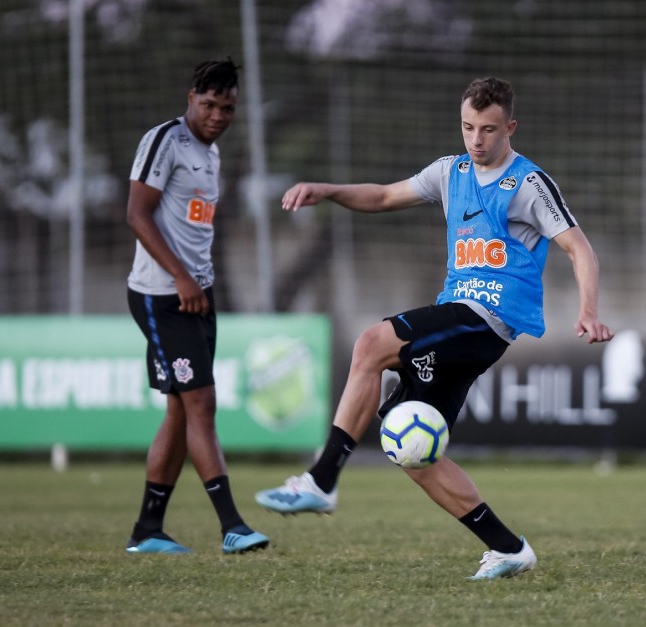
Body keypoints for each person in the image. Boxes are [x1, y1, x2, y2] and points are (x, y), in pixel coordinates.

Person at [255, 77, 613, 579]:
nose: (477, 140)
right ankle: (509, 548)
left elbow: (579, 247)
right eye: (468, 127)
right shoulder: (451, 172)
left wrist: (589, 311)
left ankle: (322, 480)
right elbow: (382, 197)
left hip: (485, 320)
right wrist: (327, 191)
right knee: (410, 445)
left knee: (371, 344)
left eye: (489, 129)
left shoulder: (528, 184)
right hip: (458, 317)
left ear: (510, 126)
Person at [124, 58, 268, 555]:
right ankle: (232, 526)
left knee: (181, 411)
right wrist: (182, 277)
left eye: (226, 107)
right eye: (208, 105)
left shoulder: (212, 155)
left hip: (195, 296)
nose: (217, 115)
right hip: (163, 297)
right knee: (201, 405)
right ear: (190, 98)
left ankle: (147, 530)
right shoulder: (164, 141)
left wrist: (198, 283)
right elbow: (137, 214)